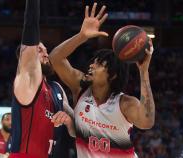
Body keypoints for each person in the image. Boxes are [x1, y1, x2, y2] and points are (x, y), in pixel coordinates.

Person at [49, 3, 155, 158]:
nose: (91, 66)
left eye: (99, 64)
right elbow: (55, 58)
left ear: (112, 75)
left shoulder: (124, 104)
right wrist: (81, 36)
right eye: (93, 62)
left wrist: (144, 72)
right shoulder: (80, 89)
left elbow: (147, 122)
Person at [9, 0, 75, 157]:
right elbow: (30, 25)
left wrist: (69, 121)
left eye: (46, 49)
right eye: (39, 50)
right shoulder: (26, 82)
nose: (46, 53)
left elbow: (76, 132)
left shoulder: (56, 88)